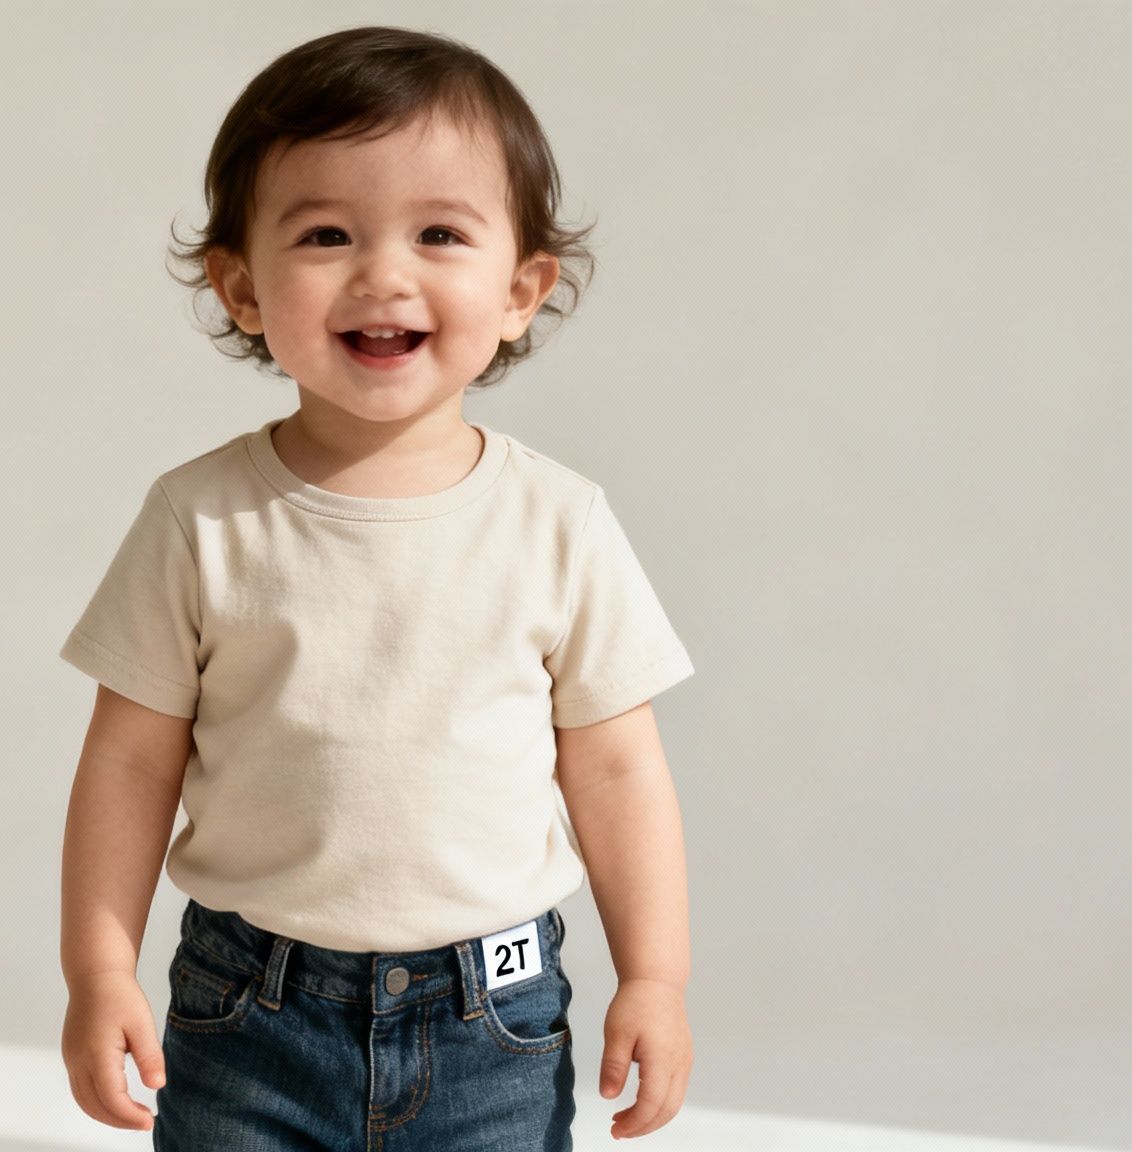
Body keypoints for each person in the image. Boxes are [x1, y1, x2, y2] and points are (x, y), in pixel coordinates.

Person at [58, 25, 695, 1148]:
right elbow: (126, 758)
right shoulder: (201, 519)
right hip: (247, 1007)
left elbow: (613, 764)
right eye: (325, 234)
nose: (382, 273)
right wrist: (97, 968)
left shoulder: (557, 522)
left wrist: (655, 976)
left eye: (439, 232)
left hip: (489, 1017)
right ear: (242, 287)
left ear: (520, 289)